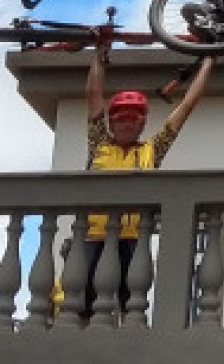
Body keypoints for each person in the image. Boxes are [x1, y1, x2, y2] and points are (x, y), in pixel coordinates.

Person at [77, 36, 216, 320]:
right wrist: (100, 55)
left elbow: (186, 107)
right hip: (95, 237)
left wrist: (209, 60)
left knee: (133, 308)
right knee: (84, 309)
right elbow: (93, 95)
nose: (126, 123)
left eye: (132, 119)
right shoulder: (99, 144)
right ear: (111, 122)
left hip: (133, 239)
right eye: (120, 118)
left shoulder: (153, 149)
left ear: (141, 123)